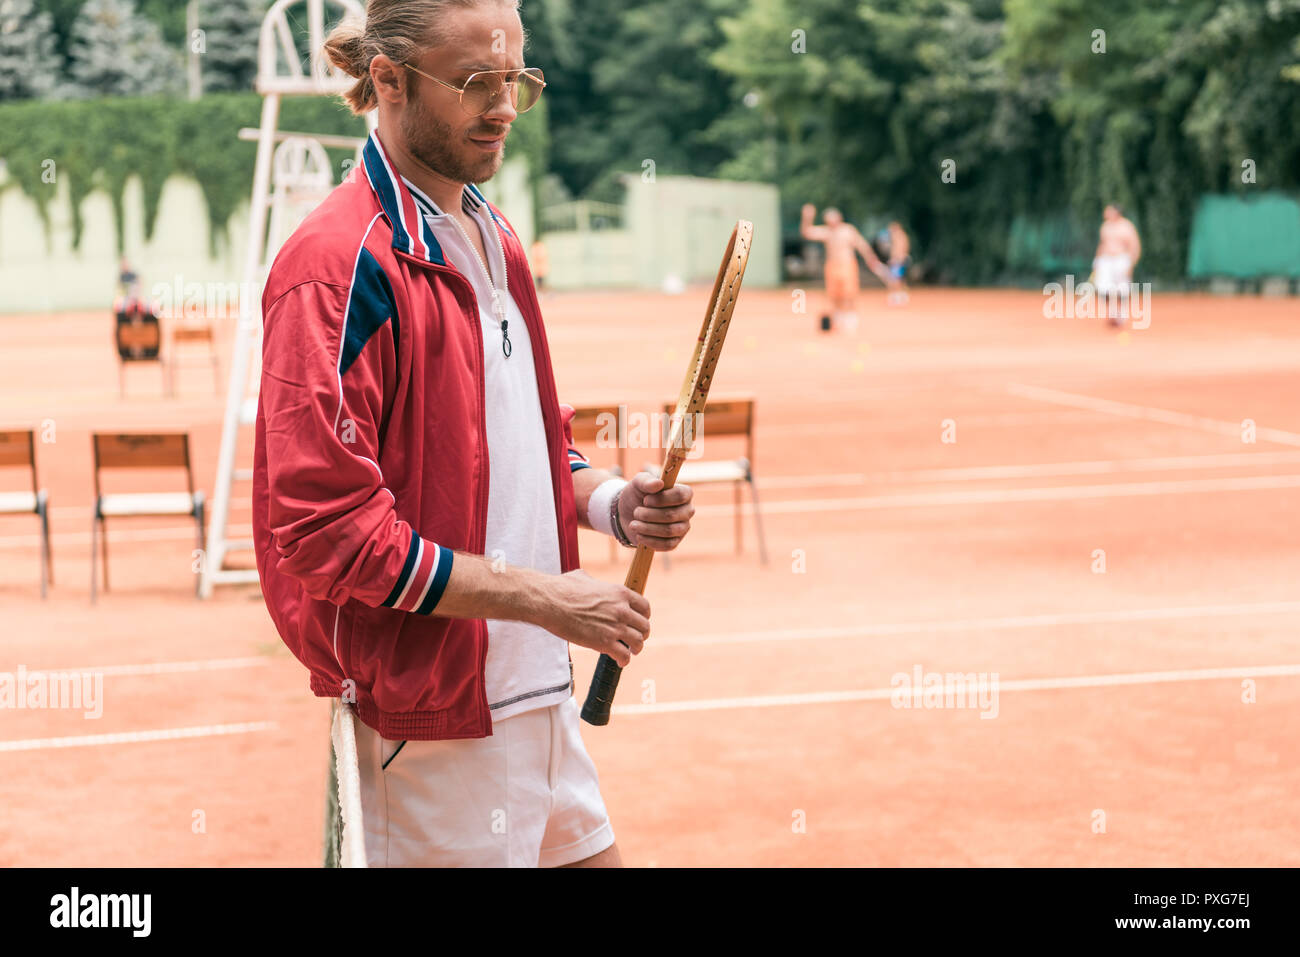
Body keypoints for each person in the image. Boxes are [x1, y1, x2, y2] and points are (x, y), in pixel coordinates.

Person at [252, 0, 696, 868]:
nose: (502, 106)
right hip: (430, 731)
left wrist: (610, 502)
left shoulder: (495, 237)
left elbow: (519, 444)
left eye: (515, 81)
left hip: (535, 697)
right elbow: (327, 534)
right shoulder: (336, 266)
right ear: (387, 80)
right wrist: (545, 596)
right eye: (473, 83)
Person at [800, 204, 886, 334]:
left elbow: (861, 244)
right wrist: (807, 217)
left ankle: (851, 319)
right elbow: (807, 232)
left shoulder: (848, 230)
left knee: (849, 293)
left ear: (839, 218)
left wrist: (870, 258)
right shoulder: (827, 232)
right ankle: (838, 319)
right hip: (832, 266)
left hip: (847, 265)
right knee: (834, 295)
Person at [1092, 203, 1141, 327]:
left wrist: (1131, 264)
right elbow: (1102, 244)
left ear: (1116, 212)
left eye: (1109, 210)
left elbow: (1134, 245)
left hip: (1121, 260)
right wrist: (1097, 261)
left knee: (1122, 288)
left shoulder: (1127, 226)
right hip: (1106, 260)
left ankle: (1121, 315)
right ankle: (1111, 313)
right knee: (1104, 287)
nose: (1106, 212)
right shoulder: (1105, 226)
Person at [885, 221, 910, 306]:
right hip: (898, 260)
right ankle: (901, 296)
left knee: (895, 279)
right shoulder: (900, 236)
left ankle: (897, 297)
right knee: (899, 279)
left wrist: (896, 259)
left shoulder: (899, 237)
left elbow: (900, 249)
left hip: (898, 261)